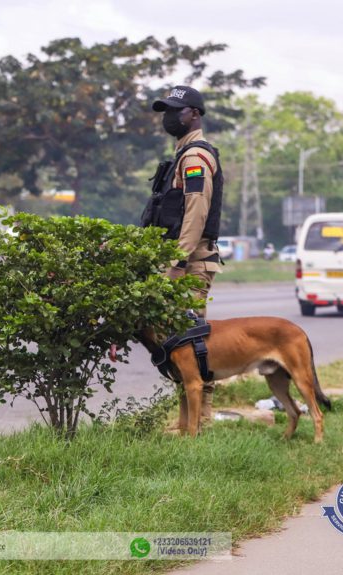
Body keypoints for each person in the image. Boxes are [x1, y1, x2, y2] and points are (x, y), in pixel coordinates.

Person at [141, 85, 223, 423]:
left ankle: (198, 423)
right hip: (180, 262)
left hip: (189, 265)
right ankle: (188, 422)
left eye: (177, 110)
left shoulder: (194, 157)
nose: (169, 117)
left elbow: (196, 213)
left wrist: (176, 261)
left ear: (195, 114)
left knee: (189, 345)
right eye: (166, 111)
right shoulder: (182, 155)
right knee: (179, 347)